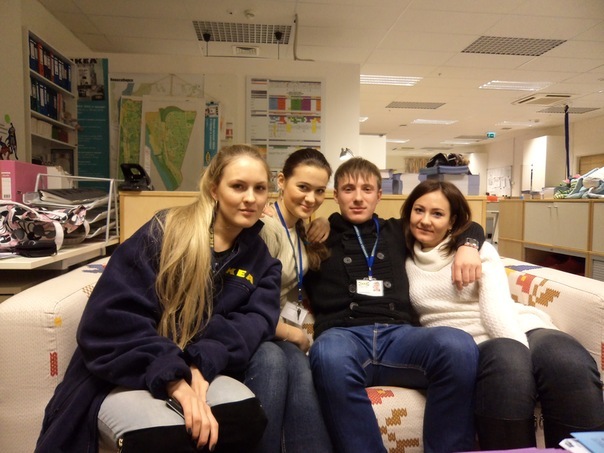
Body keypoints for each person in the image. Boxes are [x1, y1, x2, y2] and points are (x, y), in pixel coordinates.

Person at [36, 144, 282, 453]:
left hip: (197, 366)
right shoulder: (166, 232)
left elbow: (253, 324)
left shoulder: (262, 260)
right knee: (168, 438)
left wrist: (201, 363)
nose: (250, 198)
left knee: (246, 418)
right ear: (214, 189)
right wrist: (174, 379)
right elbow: (109, 319)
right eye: (238, 186)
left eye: (259, 188)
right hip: (126, 369)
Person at [402, 179, 604, 449]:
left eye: (437, 213)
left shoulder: (476, 249)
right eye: (419, 210)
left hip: (516, 325)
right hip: (470, 344)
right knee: (509, 363)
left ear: (452, 221)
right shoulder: (400, 255)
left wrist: (525, 357)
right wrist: (522, 363)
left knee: (566, 360)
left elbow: (496, 309)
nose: (425, 220)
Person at [304, 157, 486, 453]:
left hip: (399, 337)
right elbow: (277, 232)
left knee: (458, 346)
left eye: (367, 189)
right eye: (349, 189)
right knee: (327, 354)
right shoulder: (316, 236)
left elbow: (467, 225)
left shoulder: (397, 231)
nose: (358, 198)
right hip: (343, 336)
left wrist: (469, 246)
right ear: (335, 195)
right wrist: (314, 221)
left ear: (379, 195)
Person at [245, 148, 333, 452]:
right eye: (303, 187)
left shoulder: (300, 226)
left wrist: (324, 222)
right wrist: (292, 333)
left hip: (276, 325)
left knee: (299, 367)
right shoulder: (266, 226)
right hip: (257, 325)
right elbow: (244, 302)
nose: (311, 198)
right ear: (281, 181)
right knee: (280, 362)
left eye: (319, 191)